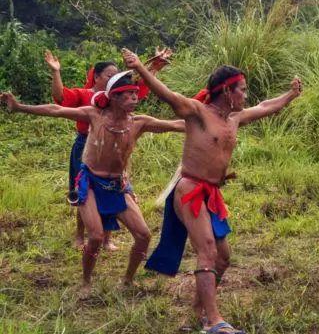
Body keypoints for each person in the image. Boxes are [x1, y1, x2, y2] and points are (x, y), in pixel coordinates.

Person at [130, 49, 302, 334]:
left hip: (212, 194)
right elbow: (169, 95)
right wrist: (140, 67)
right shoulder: (198, 114)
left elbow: (265, 106)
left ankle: (198, 313)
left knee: (223, 257)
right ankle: (213, 320)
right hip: (190, 190)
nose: (245, 96)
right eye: (242, 90)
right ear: (227, 90)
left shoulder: (233, 119)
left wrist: (290, 95)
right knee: (207, 251)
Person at [2, 72, 184, 289]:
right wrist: (20, 107)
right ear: (114, 98)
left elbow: (177, 124)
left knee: (144, 235)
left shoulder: (140, 122)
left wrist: (211, 118)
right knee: (96, 237)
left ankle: (128, 280)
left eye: (136, 94)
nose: (135, 98)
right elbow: (57, 110)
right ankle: (86, 282)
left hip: (117, 187)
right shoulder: (94, 115)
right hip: (90, 184)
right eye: (128, 95)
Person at [46, 48, 171, 251]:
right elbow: (60, 98)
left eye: (115, 75)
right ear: (96, 77)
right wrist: (55, 71)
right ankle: (80, 236)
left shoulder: (117, 97)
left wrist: (154, 67)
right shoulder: (85, 95)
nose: (114, 78)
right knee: (83, 192)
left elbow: (140, 86)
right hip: (85, 147)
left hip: (113, 148)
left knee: (112, 189)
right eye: (109, 75)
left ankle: (106, 238)